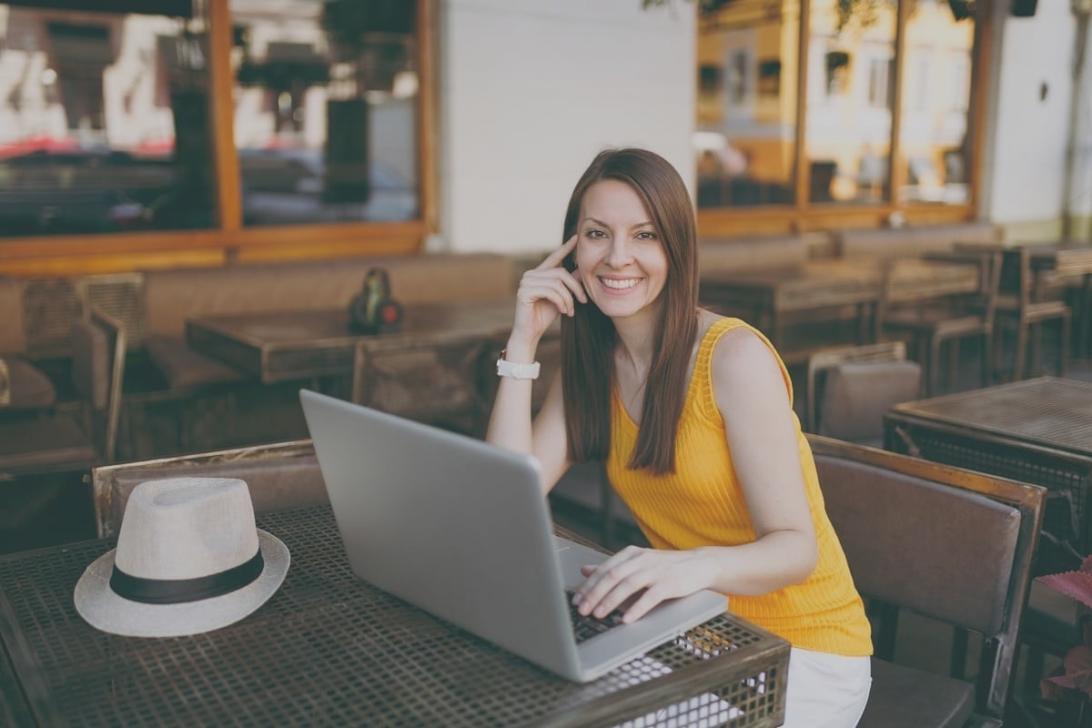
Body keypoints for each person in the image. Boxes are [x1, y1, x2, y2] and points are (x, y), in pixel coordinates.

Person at [485, 148, 873, 727]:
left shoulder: (733, 358)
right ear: (572, 249)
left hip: (803, 650)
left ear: (676, 249)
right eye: (597, 234)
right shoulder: (593, 362)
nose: (618, 257)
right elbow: (503, 500)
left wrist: (690, 567)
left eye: (644, 235)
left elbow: (796, 548)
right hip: (691, 630)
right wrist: (522, 345)